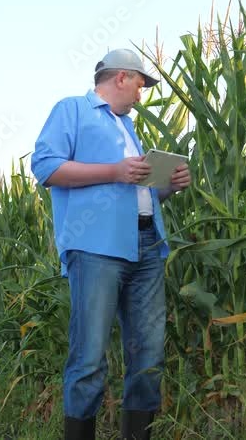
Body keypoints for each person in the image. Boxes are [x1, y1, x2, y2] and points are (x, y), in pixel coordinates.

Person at [30, 48, 191, 440]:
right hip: (96, 248)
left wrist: (168, 186)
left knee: (148, 356)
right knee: (89, 357)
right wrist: (114, 171)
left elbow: (136, 192)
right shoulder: (73, 110)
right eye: (140, 85)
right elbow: (46, 167)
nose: (141, 94)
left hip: (146, 245)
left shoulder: (128, 128)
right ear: (121, 77)